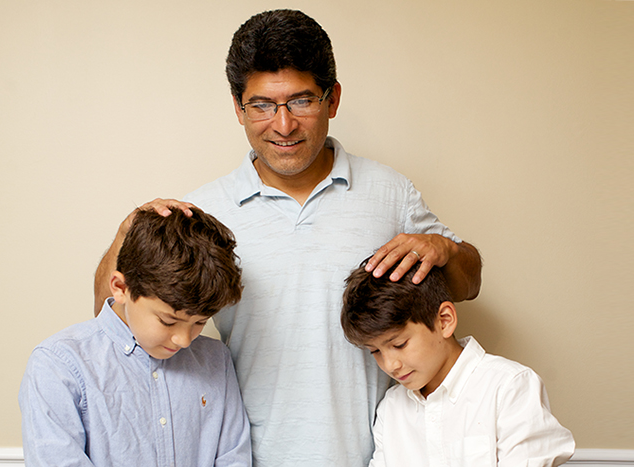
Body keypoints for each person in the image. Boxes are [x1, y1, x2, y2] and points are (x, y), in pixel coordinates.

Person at [94, 9, 482, 467]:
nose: (282, 125)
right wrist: (125, 235)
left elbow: (468, 284)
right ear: (238, 107)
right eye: (261, 105)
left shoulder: (390, 193)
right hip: (243, 456)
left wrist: (445, 250)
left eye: (301, 101)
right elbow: (109, 322)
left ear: (332, 99)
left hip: (384, 455)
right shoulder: (204, 212)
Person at [20, 209, 251, 467]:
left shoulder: (215, 359)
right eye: (168, 321)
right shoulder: (58, 365)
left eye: (200, 322)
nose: (184, 340)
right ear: (120, 288)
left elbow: (234, 458)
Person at [341, 260, 575, 466]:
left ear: (444, 321)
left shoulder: (509, 388)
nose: (390, 364)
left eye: (400, 344)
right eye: (375, 351)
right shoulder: (391, 409)